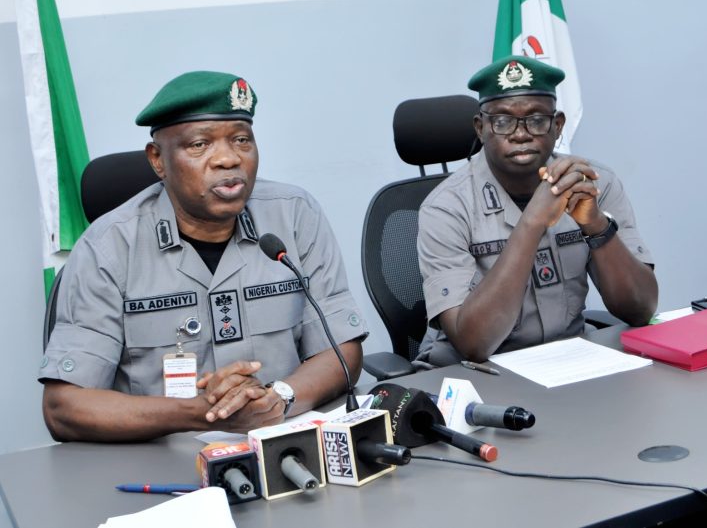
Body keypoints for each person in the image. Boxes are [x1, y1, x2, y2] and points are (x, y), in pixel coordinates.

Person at [39, 71, 367, 442]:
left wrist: (279, 398)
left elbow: (343, 350)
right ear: (158, 160)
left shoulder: (294, 215)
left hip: (279, 441)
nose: (228, 159)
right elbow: (63, 407)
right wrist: (203, 414)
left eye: (241, 139)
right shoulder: (108, 246)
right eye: (199, 145)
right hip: (159, 458)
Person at [415, 55, 657, 367]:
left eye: (537, 119)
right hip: (471, 375)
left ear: (557, 126)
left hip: (568, 364)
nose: (520, 134)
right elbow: (473, 344)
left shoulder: (595, 183)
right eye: (502, 121)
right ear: (480, 128)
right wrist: (532, 222)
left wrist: (597, 226)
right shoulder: (445, 208)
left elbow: (641, 310)